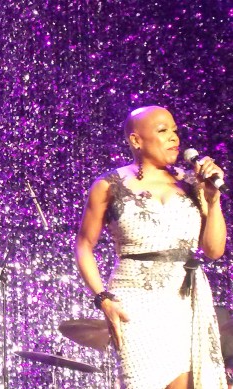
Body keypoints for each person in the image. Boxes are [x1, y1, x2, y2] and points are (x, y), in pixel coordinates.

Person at [75, 106, 227, 388]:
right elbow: (84, 246)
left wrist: (213, 198)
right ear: (136, 140)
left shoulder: (193, 183)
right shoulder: (109, 185)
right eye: (163, 131)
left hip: (185, 301)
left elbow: (214, 250)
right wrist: (103, 299)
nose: (174, 138)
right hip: (134, 302)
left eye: (175, 131)